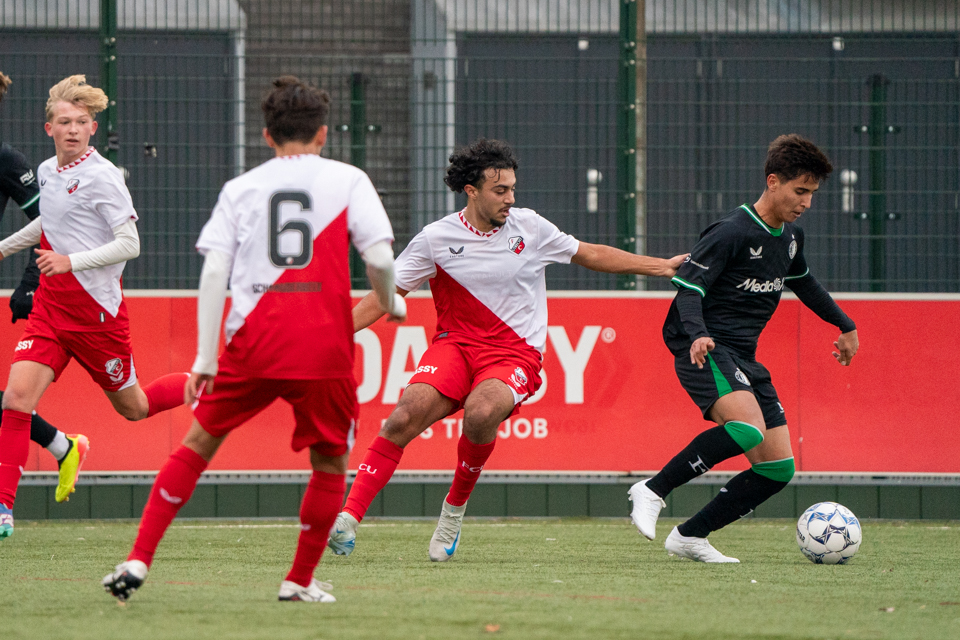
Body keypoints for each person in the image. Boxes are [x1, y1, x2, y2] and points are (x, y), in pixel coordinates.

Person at [102, 75, 403, 603]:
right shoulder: (349, 180)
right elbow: (379, 258)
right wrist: (393, 301)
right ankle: (299, 580)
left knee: (197, 444)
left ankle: (138, 559)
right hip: (323, 346)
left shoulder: (240, 189)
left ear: (266, 136)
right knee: (331, 463)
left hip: (254, 341)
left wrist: (203, 357)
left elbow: (214, 274)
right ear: (324, 134)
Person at [327, 138, 686, 562]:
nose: (510, 199)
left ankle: (452, 514)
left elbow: (590, 254)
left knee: (481, 412)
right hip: (456, 347)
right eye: (500, 190)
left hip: (514, 354)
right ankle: (348, 518)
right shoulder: (436, 239)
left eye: (513, 189)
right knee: (404, 414)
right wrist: (332, 335)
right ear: (472, 190)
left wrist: (659, 266)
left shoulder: (530, 227)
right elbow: (383, 296)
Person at [628, 134, 859, 563]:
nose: (806, 202)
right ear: (773, 181)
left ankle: (690, 536)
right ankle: (653, 489)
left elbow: (803, 283)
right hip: (704, 345)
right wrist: (697, 333)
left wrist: (844, 324)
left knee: (777, 468)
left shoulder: (791, 237)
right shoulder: (731, 231)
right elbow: (688, 288)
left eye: (812, 193)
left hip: (744, 356)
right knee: (746, 429)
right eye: (800, 191)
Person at [0, 75, 190, 541]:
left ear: (92, 128)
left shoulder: (104, 177)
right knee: (15, 399)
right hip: (50, 310)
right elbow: (51, 220)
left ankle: (208, 381)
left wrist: (69, 262)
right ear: (49, 128)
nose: (72, 129)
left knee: (135, 406)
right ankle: (3, 508)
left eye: (82, 122)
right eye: (64, 122)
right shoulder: (47, 171)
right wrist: (4, 247)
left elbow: (131, 244)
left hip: (96, 319)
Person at [0, 71, 89, 512]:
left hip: (74, 307)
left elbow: (53, 223)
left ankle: (59, 447)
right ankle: (60, 445)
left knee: (15, 397)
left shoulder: (8, 161)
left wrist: (29, 282)